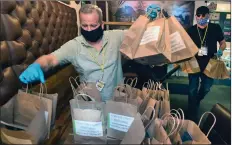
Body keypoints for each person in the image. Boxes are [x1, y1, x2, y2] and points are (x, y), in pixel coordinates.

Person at [19, 4, 159, 101]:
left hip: (118, 99)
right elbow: (50, 59)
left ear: (102, 25)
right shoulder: (74, 46)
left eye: (93, 25)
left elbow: (138, 32)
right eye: (85, 25)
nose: (89, 29)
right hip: (89, 102)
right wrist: (37, 65)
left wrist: (149, 18)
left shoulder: (115, 37)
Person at [187, 6, 226, 122]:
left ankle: (197, 100)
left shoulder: (215, 28)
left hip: (211, 63)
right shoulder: (191, 30)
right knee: (192, 89)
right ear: (196, 16)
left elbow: (223, 43)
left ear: (208, 16)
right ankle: (191, 115)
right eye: (198, 15)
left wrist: (221, 50)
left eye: (203, 15)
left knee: (206, 88)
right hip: (194, 63)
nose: (200, 18)